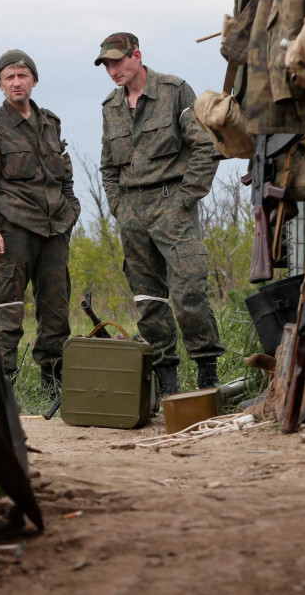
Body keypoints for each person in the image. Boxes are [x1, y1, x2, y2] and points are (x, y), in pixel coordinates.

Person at [95, 32, 225, 398]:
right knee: (148, 301)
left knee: (189, 293)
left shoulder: (174, 90)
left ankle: (207, 375)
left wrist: (187, 197)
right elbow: (107, 165)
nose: (113, 70)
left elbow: (205, 145)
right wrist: (118, 206)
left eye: (118, 61)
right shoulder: (110, 106)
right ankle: (167, 384)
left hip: (172, 204)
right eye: (107, 64)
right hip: (132, 212)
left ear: (137, 56)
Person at [0, 50, 80, 395]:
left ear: (33, 80)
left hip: (54, 230)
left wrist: (70, 211)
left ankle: (53, 382)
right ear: (1, 85)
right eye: (9, 77)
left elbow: (65, 177)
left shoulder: (50, 122)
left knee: (56, 310)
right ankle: (2, 388)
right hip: (12, 230)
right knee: (7, 310)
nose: (16, 82)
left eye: (22, 75)